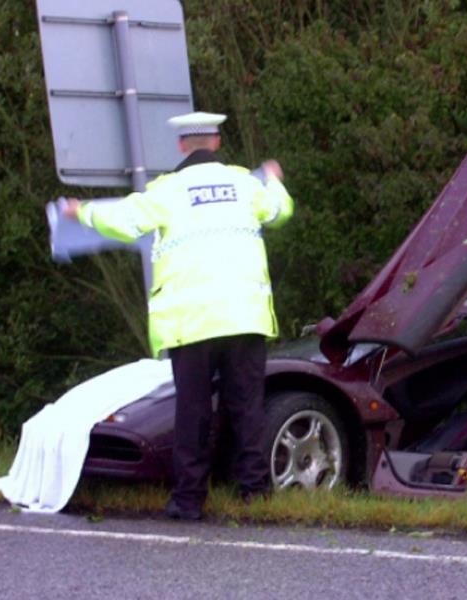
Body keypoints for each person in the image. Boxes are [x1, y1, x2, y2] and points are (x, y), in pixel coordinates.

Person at [63, 111, 294, 520]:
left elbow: (125, 221)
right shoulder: (245, 184)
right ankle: (255, 494)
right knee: (247, 407)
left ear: (181, 146)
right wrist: (273, 176)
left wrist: (81, 211)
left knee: (193, 411)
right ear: (218, 142)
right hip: (244, 318)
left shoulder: (166, 191)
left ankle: (189, 499)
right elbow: (280, 211)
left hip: (193, 324)